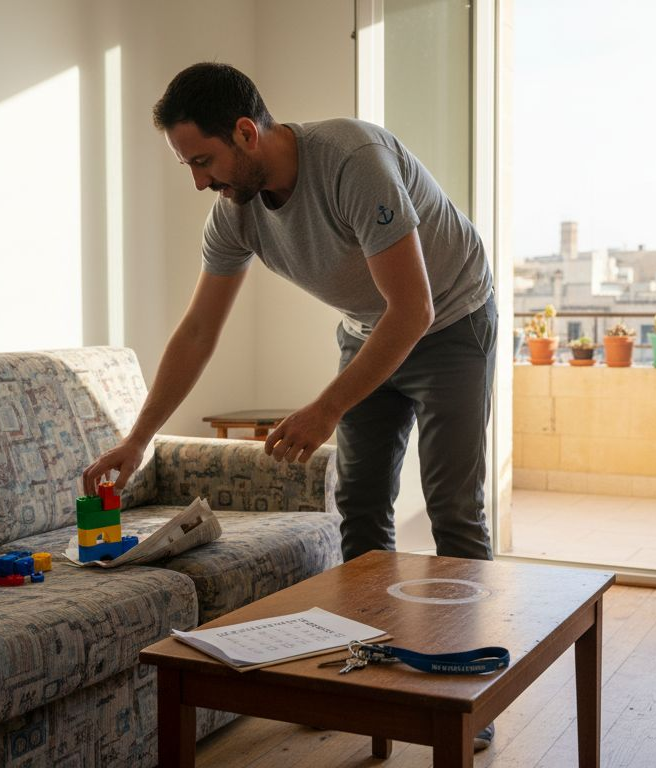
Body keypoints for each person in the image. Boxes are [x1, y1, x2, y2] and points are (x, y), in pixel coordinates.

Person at [81, 62, 497, 749]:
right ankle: (376, 684)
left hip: (451, 322)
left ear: (247, 133)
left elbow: (415, 307)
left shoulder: (353, 162)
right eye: (188, 165)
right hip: (370, 329)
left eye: (204, 160)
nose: (199, 181)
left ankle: (461, 699)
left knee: (454, 508)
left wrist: (325, 408)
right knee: (361, 507)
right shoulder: (235, 215)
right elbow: (196, 333)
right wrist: (138, 441)